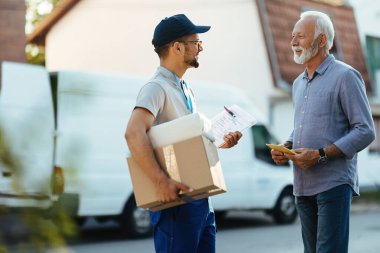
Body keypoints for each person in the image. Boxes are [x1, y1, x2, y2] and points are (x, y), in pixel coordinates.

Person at [125, 14, 242, 253]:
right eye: (196, 42)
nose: (200, 47)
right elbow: (133, 133)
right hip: (175, 202)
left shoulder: (184, 87)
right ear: (177, 47)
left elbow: (183, 142)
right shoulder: (156, 87)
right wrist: (160, 181)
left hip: (199, 200)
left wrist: (220, 141)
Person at [270, 11, 375, 253]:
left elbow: (366, 130)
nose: (293, 42)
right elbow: (305, 125)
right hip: (302, 185)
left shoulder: (346, 76)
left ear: (321, 40)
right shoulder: (298, 83)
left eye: (301, 36)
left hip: (333, 184)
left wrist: (320, 155)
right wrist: (286, 145)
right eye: (292, 36)